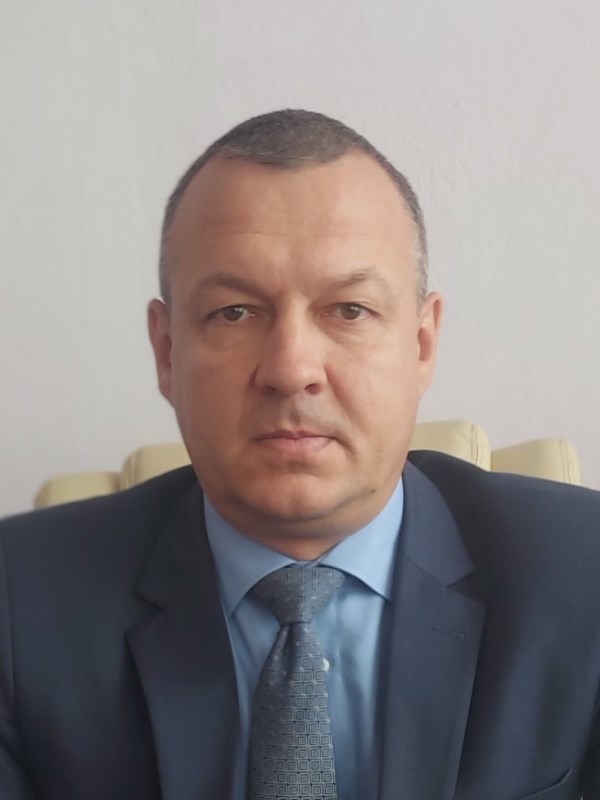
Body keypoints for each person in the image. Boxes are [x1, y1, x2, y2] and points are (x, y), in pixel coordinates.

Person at [1, 109, 599, 800]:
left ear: (422, 344)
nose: (291, 369)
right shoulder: (20, 604)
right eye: (234, 312)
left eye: (349, 310)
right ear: (167, 352)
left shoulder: (582, 577)